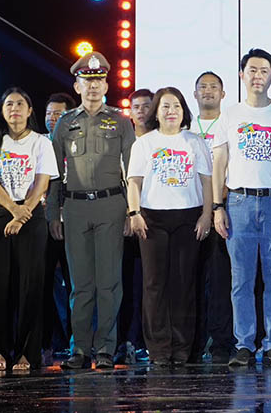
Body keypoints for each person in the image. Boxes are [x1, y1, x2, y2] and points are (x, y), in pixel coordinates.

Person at [211, 48, 271, 367]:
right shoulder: (230, 115)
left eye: (264, 71)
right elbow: (219, 163)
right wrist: (217, 206)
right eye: (252, 70)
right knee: (241, 280)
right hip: (238, 203)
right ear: (242, 75)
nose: (257, 76)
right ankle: (244, 345)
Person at [48, 52, 136, 370]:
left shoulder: (121, 122)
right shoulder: (65, 123)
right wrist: (52, 214)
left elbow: (132, 171)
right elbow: (54, 172)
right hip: (74, 207)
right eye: (87, 81)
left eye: (99, 80)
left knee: (109, 283)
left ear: (106, 85)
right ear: (77, 86)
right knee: (80, 284)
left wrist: (132, 212)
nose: (93, 86)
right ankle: (80, 349)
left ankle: (105, 349)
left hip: (111, 205)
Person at [127, 87, 212, 367]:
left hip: (189, 217)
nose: (171, 111)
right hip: (152, 219)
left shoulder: (195, 142)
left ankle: (182, 347)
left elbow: (207, 182)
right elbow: (134, 182)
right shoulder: (144, 144)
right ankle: (159, 349)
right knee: (154, 285)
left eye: (176, 106)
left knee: (184, 283)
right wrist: (134, 213)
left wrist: (207, 215)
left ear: (183, 110)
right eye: (165, 106)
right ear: (156, 112)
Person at [0, 88, 58, 372]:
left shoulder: (40, 142)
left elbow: (42, 182)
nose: (14, 109)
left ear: (29, 110)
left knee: (30, 287)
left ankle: (27, 352)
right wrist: (14, 210)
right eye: (9, 104)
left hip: (31, 215)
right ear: (2, 111)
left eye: (20, 104)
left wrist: (23, 213)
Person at [190, 70, 235, 363]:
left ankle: (221, 341)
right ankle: (193, 342)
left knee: (221, 279)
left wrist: (220, 198)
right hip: (191, 208)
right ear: (195, 94)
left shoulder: (230, 124)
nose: (208, 91)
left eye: (214, 87)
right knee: (191, 278)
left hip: (224, 207)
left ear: (223, 94)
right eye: (203, 87)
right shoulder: (186, 128)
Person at [41, 92, 76, 363]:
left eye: (59, 114)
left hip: (74, 221)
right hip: (42, 223)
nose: (52, 118)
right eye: (49, 113)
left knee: (76, 284)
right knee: (42, 285)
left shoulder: (76, 142)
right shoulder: (38, 143)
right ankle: (46, 342)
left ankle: (77, 342)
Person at [118, 88, 152, 364]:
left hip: (157, 218)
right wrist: (129, 213)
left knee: (149, 283)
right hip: (126, 220)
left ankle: (145, 341)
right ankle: (125, 340)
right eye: (136, 107)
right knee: (127, 283)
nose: (141, 111)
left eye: (146, 106)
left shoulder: (161, 139)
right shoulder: (122, 140)